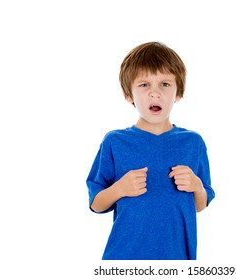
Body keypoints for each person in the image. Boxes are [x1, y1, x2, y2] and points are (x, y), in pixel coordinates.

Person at [86, 41, 215, 260]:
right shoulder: (114, 142)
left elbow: (200, 205)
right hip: (123, 261)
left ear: (178, 93)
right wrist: (119, 188)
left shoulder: (193, 143)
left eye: (165, 84)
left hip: (176, 261)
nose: (155, 93)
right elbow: (96, 204)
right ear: (129, 94)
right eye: (144, 85)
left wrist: (197, 186)